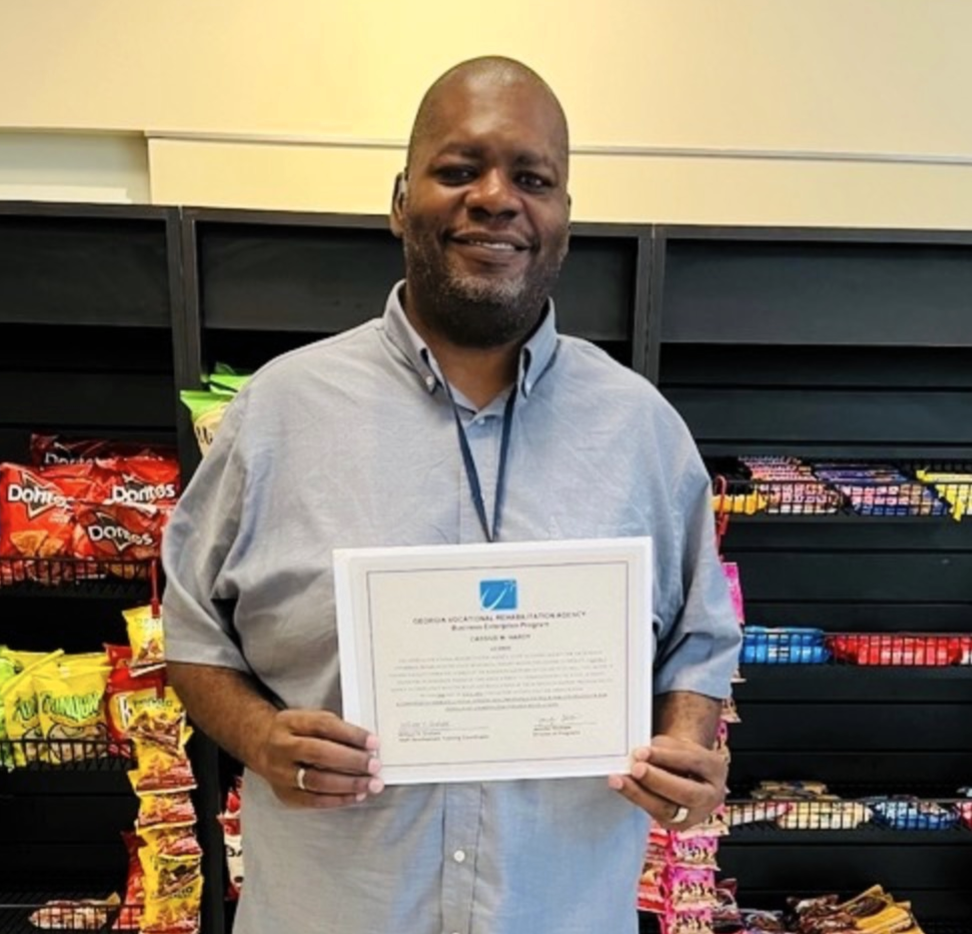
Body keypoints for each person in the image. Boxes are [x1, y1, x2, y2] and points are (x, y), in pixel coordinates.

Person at [162, 55, 741, 934]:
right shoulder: (277, 412)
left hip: (563, 912)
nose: (496, 198)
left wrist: (691, 744)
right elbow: (193, 638)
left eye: (533, 177)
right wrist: (257, 738)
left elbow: (698, 641)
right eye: (459, 170)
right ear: (401, 201)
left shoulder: (642, 432)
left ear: (565, 219)